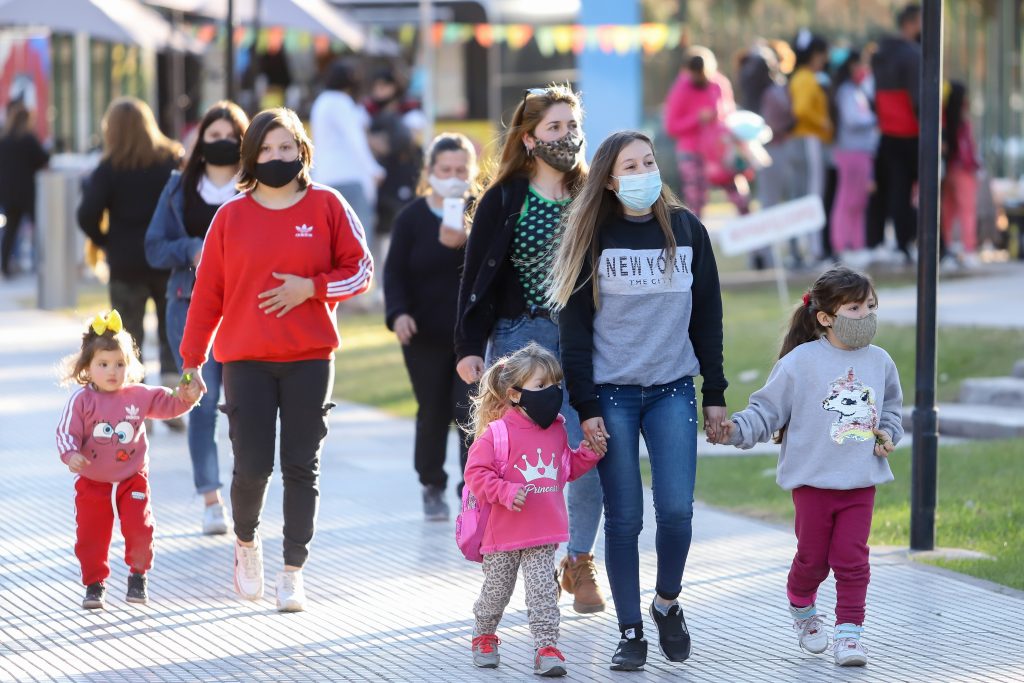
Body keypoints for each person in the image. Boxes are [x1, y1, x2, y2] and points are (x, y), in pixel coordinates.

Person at [179, 108, 373, 612]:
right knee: (252, 467)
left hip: (310, 358)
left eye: (286, 147)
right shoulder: (230, 216)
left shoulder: (328, 205)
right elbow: (207, 295)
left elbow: (361, 271)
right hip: (245, 361)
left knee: (301, 466)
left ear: (302, 151)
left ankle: (293, 573)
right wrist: (191, 359)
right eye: (266, 148)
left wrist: (312, 288)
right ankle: (246, 543)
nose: (277, 156)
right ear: (251, 156)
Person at [548, 131, 728, 671]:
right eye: (630, 166)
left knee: (676, 510)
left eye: (649, 161)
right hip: (612, 396)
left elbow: (708, 318)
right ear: (609, 179)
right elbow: (574, 334)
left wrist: (715, 394)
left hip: (673, 390)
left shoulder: (687, 230)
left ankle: (667, 603)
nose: (644, 172)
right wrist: (586, 407)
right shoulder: (592, 236)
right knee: (624, 518)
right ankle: (630, 631)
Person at [455, 84, 606, 615]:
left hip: (581, 339)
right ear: (529, 138)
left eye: (572, 126)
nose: (567, 136)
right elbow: (475, 278)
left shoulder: (594, 194)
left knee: (586, 445)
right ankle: (512, 557)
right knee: (521, 455)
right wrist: (468, 345)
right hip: (519, 337)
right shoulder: (503, 198)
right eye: (554, 128)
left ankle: (579, 560)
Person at [709, 266, 903, 668]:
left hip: (860, 484)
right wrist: (734, 431)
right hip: (812, 484)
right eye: (854, 308)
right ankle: (801, 605)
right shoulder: (800, 362)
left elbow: (891, 412)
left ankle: (849, 635)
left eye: (871, 306)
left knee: (852, 560)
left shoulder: (881, 362)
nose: (866, 315)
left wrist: (887, 433)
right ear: (826, 317)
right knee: (813, 561)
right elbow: (766, 412)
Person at [464, 342, 601, 677]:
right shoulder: (498, 433)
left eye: (556, 384)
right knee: (496, 593)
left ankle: (547, 647)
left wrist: (588, 454)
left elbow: (563, 469)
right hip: (503, 535)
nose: (552, 392)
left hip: (543, 532)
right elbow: (475, 473)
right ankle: (484, 634)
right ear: (514, 394)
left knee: (544, 594)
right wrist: (505, 491)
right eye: (541, 385)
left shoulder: (556, 428)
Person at [145, 101, 249, 535]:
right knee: (202, 402)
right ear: (200, 141)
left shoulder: (256, 188)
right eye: (213, 135)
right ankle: (210, 498)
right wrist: (192, 249)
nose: (222, 142)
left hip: (244, 308)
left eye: (231, 135)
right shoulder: (178, 187)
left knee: (245, 405)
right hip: (187, 305)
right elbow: (154, 247)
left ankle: (247, 493)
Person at [56, 310, 200, 610]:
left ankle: (138, 575)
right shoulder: (82, 401)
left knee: (139, 528)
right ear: (87, 367)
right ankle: (94, 584)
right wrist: (71, 454)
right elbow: (66, 432)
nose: (113, 371)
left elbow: (169, 402)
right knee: (91, 534)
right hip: (93, 481)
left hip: (131, 477)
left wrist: (187, 396)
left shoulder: (138, 395)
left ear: (130, 365)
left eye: (120, 364)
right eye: (103, 364)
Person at [384, 133, 476, 520]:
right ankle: (432, 484)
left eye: (461, 170)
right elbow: (394, 274)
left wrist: (467, 239)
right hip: (423, 336)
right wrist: (398, 313)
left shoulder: (481, 212)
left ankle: (473, 488)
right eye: (445, 169)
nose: (453, 177)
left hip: (471, 337)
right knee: (433, 412)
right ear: (430, 172)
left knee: (472, 411)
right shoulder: (411, 218)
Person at [77, 97, 184, 429]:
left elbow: (86, 213)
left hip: (125, 262)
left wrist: (105, 241)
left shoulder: (109, 168)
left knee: (128, 336)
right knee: (171, 331)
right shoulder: (171, 160)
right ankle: (173, 400)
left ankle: (139, 411)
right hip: (166, 259)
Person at [664, 46, 750, 218]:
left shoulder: (719, 84)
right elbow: (671, 127)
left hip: (720, 149)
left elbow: (729, 113)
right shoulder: (680, 89)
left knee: (739, 195)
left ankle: (751, 231)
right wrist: (697, 119)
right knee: (695, 201)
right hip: (692, 151)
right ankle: (695, 233)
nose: (701, 78)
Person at [310, 59, 384, 247]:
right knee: (359, 241)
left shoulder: (320, 102)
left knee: (330, 242)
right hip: (350, 179)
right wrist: (373, 169)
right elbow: (356, 139)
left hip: (324, 178)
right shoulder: (341, 102)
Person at [868, 4, 922, 262]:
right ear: (911, 23)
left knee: (892, 191)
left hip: (888, 131)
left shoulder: (880, 54)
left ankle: (893, 242)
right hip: (911, 131)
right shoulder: (912, 54)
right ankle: (909, 241)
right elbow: (918, 98)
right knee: (915, 191)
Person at [788, 30, 834, 265]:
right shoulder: (806, 78)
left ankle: (804, 250)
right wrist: (823, 122)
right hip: (808, 140)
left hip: (804, 140)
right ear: (815, 54)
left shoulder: (801, 77)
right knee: (811, 197)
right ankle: (812, 251)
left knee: (803, 195)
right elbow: (801, 110)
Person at [830, 50, 878, 262]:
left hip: (862, 152)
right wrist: (875, 119)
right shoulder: (846, 92)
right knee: (847, 200)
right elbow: (852, 119)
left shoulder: (858, 90)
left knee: (859, 202)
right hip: (851, 151)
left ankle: (857, 245)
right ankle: (842, 245)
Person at [366, 68, 423, 243]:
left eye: (384, 86)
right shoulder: (367, 111)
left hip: (403, 175)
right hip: (379, 178)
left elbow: (404, 141)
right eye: (376, 86)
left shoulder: (410, 110)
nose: (379, 91)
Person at [0, 100, 49, 278]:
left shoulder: (4, 140)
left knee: (11, 230)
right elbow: (44, 159)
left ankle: (5, 266)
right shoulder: (28, 139)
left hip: (9, 192)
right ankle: (42, 262)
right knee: (40, 227)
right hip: (27, 192)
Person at [941, 81, 981, 265]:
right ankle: (969, 248)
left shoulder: (943, 118)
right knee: (967, 211)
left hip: (947, 169)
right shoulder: (962, 122)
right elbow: (968, 149)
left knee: (947, 212)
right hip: (963, 170)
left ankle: (947, 246)